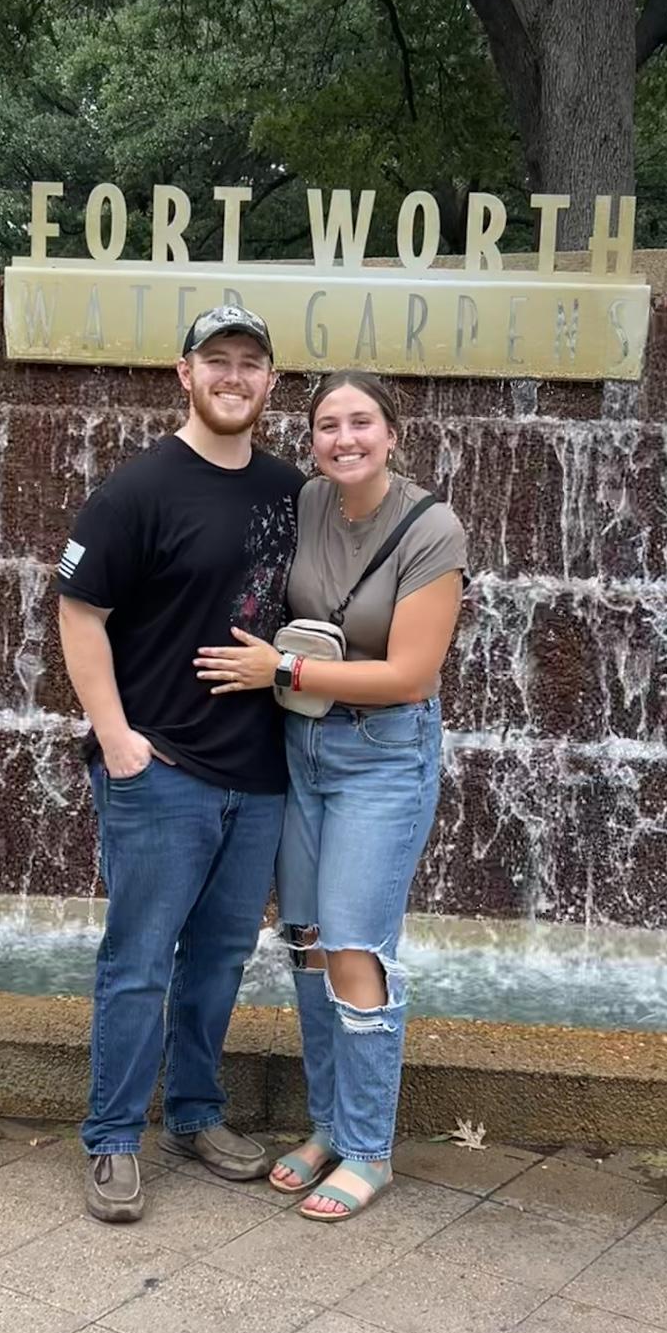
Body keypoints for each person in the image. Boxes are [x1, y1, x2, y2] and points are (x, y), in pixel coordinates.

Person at [193, 369, 466, 1222]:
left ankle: (372, 1148)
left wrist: (282, 669)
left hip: (383, 757)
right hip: (299, 747)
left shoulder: (431, 527)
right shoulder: (307, 502)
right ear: (310, 439)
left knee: (354, 945)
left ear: (392, 433)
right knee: (307, 944)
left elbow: (412, 673)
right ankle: (330, 1127)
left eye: (361, 423)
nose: (343, 439)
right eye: (326, 426)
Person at [55, 304, 303, 1223]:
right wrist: (117, 741)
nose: (234, 377)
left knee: (221, 960)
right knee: (140, 961)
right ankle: (113, 1139)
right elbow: (79, 615)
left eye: (251, 364)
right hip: (160, 770)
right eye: (218, 361)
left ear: (270, 383)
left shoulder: (291, 489)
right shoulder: (136, 490)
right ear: (184, 374)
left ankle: (195, 1116)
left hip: (261, 774)